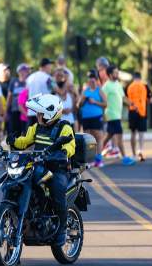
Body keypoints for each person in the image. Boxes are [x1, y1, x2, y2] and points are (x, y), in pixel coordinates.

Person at [7, 94, 76, 246]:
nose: (37, 116)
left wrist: (63, 152)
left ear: (49, 114)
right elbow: (25, 142)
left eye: (40, 113)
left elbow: (70, 145)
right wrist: (13, 141)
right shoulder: (36, 127)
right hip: (38, 166)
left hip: (57, 168)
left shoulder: (64, 128)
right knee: (18, 182)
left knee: (57, 190)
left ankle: (62, 229)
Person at [101, 65, 134, 165]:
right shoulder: (106, 86)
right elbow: (102, 100)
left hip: (117, 115)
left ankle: (96, 155)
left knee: (108, 136)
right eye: (115, 73)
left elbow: (123, 97)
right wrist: (103, 114)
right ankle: (125, 158)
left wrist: (131, 104)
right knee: (119, 136)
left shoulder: (118, 84)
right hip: (112, 115)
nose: (117, 74)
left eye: (117, 72)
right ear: (110, 74)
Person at [78, 70, 106, 167]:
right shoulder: (85, 91)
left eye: (93, 79)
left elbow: (105, 104)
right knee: (87, 138)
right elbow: (78, 105)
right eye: (90, 79)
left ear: (96, 80)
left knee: (98, 136)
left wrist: (95, 102)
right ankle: (89, 159)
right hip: (86, 118)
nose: (92, 81)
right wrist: (82, 99)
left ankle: (99, 159)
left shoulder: (99, 90)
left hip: (96, 117)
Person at [126, 71, 152, 163]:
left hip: (132, 111)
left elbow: (126, 100)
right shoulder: (145, 86)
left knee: (133, 132)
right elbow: (150, 100)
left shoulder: (129, 86)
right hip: (142, 112)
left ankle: (133, 154)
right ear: (140, 78)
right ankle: (140, 150)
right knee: (141, 133)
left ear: (133, 78)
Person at [25, 58, 54, 124]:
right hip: (43, 114)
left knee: (31, 131)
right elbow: (56, 90)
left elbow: (26, 92)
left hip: (31, 112)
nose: (51, 67)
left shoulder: (30, 77)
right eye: (50, 65)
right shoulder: (48, 78)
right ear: (46, 66)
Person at [7, 64, 30, 135]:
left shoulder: (29, 81)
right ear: (19, 72)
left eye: (26, 71)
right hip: (15, 110)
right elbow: (9, 96)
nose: (25, 72)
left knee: (26, 132)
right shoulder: (13, 81)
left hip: (25, 111)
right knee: (15, 132)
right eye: (23, 71)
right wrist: (7, 110)